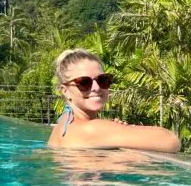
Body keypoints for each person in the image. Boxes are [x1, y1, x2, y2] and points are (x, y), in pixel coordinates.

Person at [47, 48, 180, 153]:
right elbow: (171, 141)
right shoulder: (92, 128)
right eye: (84, 82)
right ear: (65, 91)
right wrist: (123, 129)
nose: (96, 88)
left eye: (102, 80)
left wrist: (116, 131)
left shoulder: (62, 123)